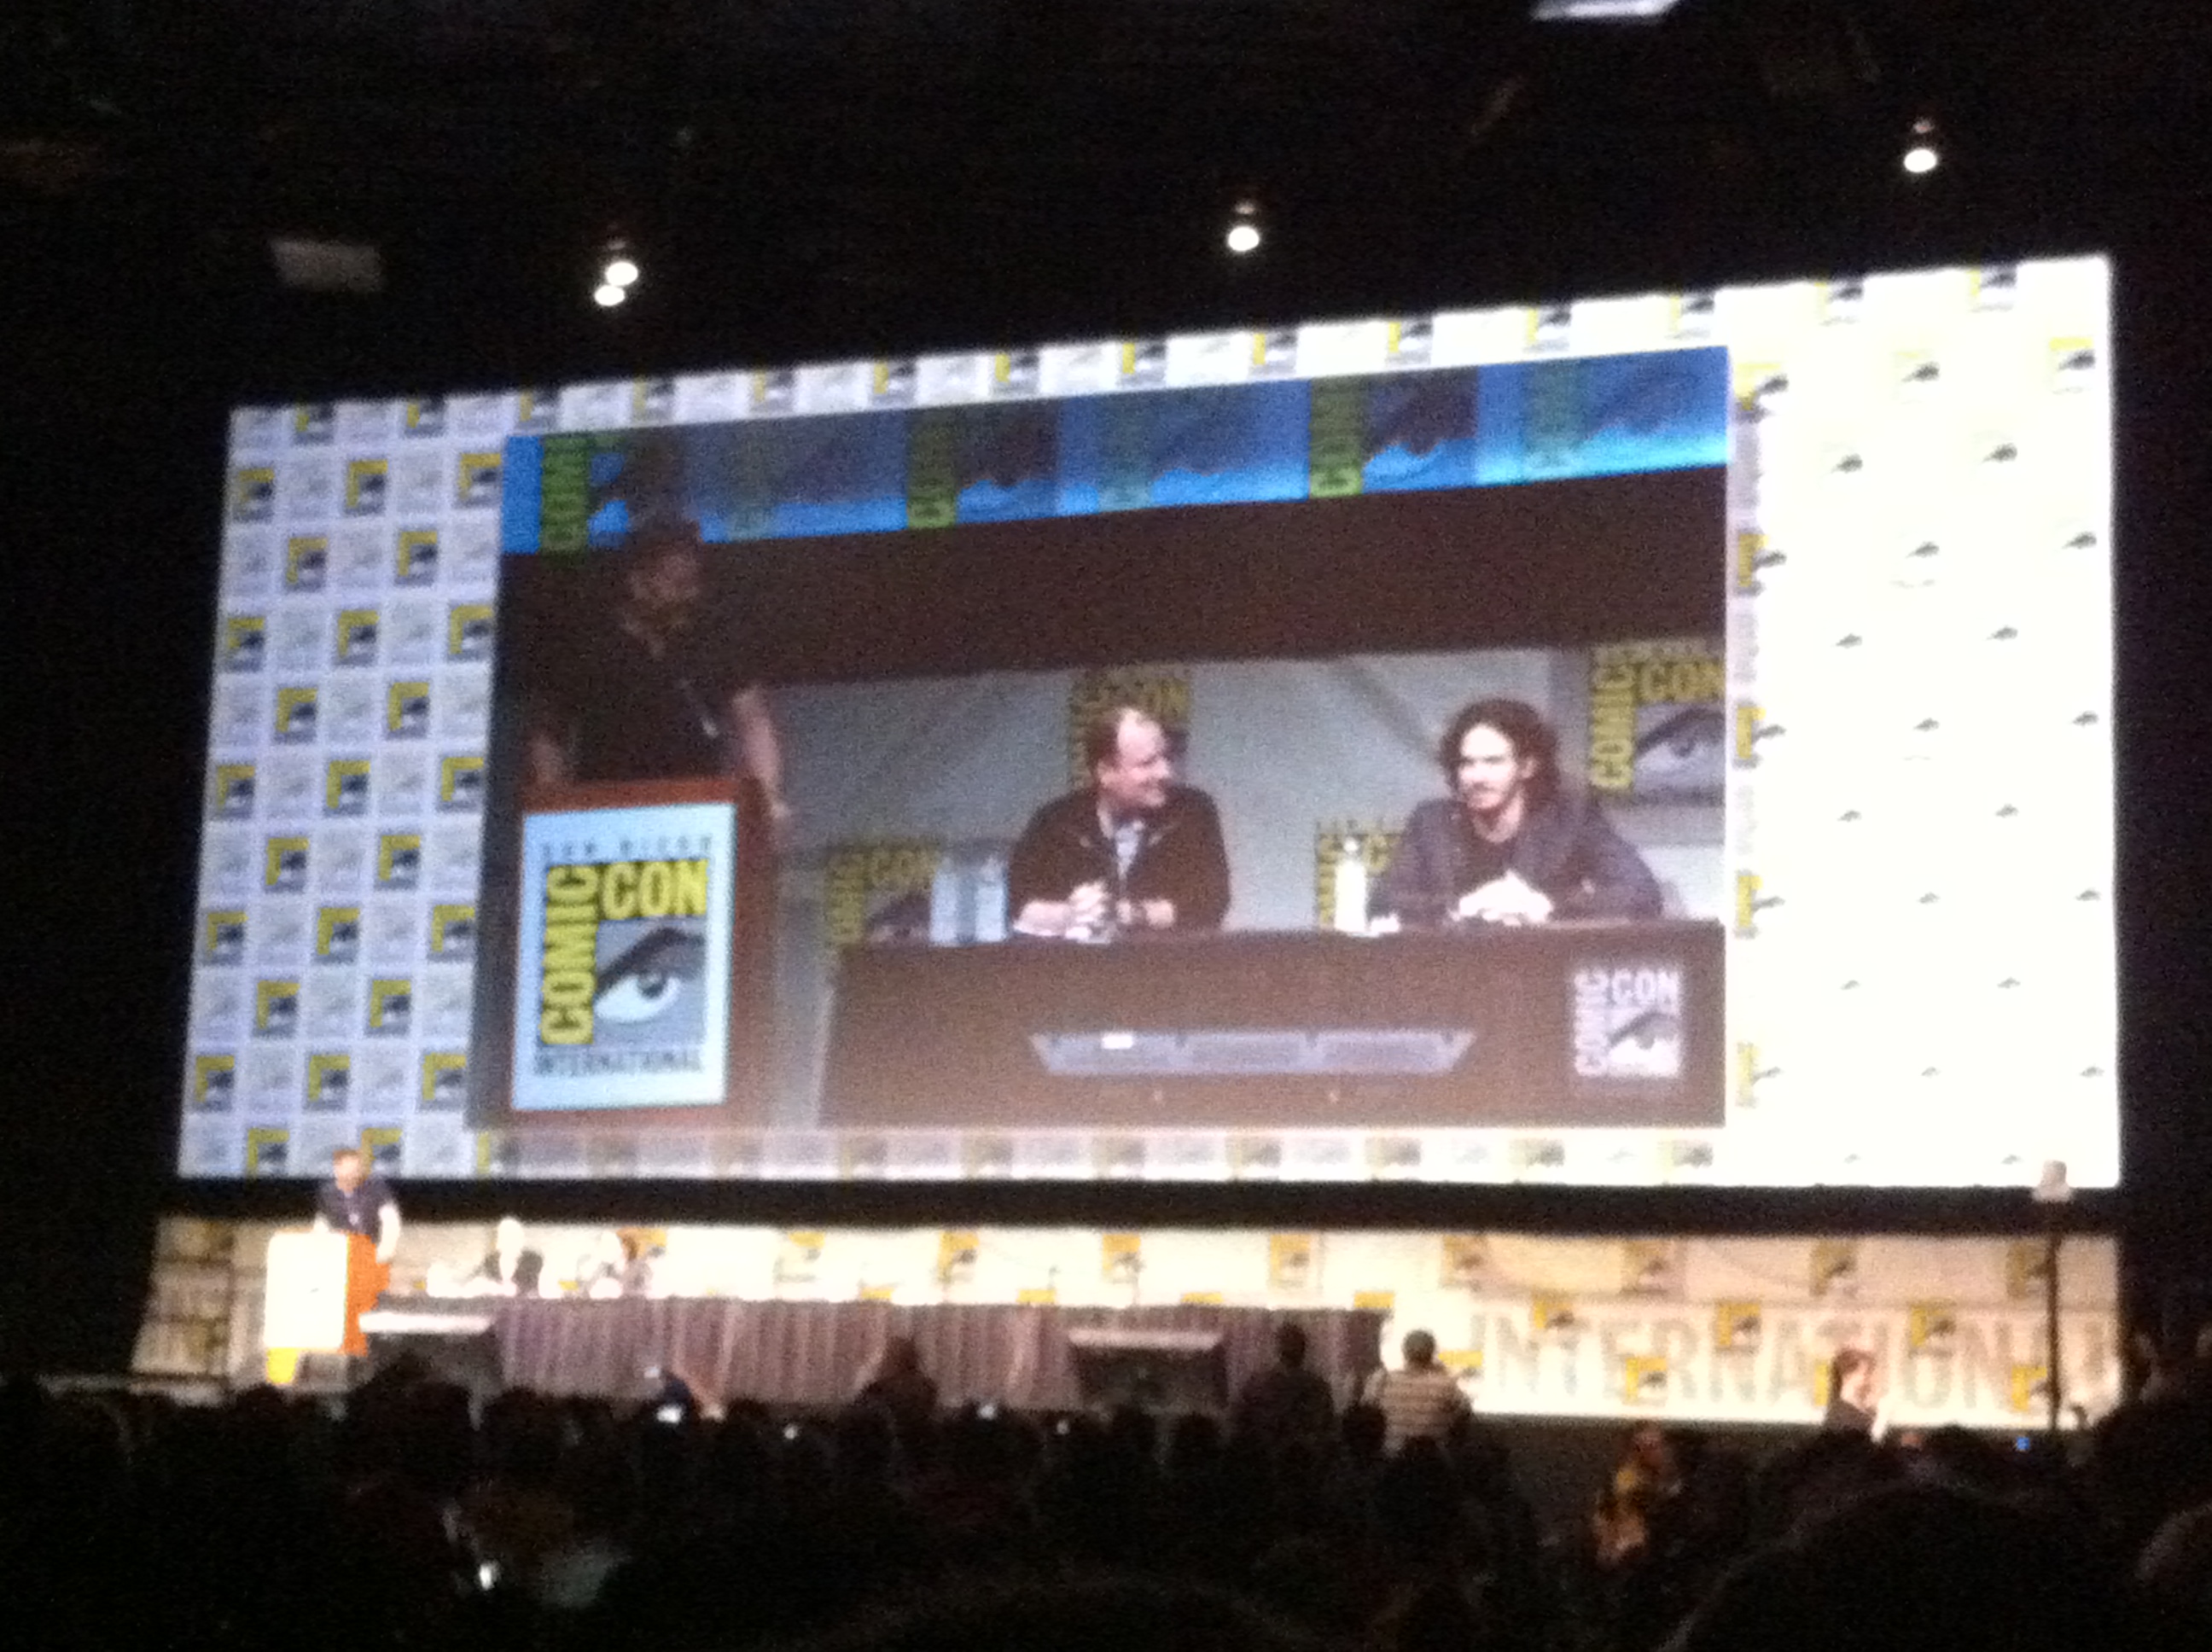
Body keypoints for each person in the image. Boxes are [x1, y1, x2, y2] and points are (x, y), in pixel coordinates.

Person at [524, 520, 790, 833]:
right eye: (678, 584)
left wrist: (767, 797)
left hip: (698, 809)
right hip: (606, 812)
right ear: (637, 583)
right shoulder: (590, 646)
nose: (690, 594)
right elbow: (549, 732)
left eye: (694, 583)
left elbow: (753, 720)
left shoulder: (711, 640)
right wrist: (551, 802)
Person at [1372, 696, 1662, 928]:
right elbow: (1383, 902)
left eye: (1493, 762)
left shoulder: (1571, 818)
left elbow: (1641, 893)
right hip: (1451, 970)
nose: (1478, 777)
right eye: (1467, 763)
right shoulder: (1430, 822)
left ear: (1527, 767)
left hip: (1541, 967)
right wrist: (1462, 906)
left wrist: (1544, 906)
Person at [1005, 706, 1230, 939]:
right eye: (1148, 763)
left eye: (1166, 757)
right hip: (1080, 960)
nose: (1165, 772)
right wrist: (1071, 914)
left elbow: (1211, 902)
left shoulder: (1191, 813)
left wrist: (1130, 913)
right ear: (1106, 772)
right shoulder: (1055, 823)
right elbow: (1019, 906)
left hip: (1168, 959)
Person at [1359, 1329, 1470, 1454]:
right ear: (1432, 1353)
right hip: (1433, 1455)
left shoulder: (1381, 1379)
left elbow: (1365, 1411)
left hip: (1391, 1456)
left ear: (1404, 1352)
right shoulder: (1446, 1384)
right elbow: (1464, 1412)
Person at [1230, 1323, 1336, 1451]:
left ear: (1278, 1349)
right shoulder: (1318, 1387)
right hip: (1304, 1456)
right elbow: (1328, 1431)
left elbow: (1238, 1423)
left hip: (1264, 1454)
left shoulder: (1257, 1384)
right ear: (1304, 1350)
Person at [311, 1146, 400, 1265]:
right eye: (348, 1168)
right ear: (336, 1168)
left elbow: (391, 1221)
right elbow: (322, 1224)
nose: (352, 1174)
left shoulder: (376, 1188)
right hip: (343, 1252)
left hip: (373, 1249)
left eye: (356, 1169)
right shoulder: (327, 1193)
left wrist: (385, 1250)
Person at [472, 1217, 545, 1297]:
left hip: (523, 1301)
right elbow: (483, 1280)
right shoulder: (490, 1260)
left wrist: (513, 1289)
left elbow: (533, 1287)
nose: (508, 1240)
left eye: (513, 1236)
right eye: (503, 1235)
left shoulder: (533, 1259)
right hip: (496, 1302)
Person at [1824, 1347, 1883, 1435]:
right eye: (1865, 1374)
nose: (1870, 1380)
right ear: (1848, 1376)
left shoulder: (1866, 1410)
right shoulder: (1840, 1414)